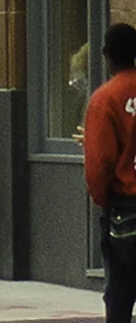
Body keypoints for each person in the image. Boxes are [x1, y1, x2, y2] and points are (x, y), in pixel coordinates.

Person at [83, 18, 136, 323]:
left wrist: (102, 197)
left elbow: (99, 161)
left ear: (107, 55)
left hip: (125, 209)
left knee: (120, 293)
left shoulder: (105, 100)